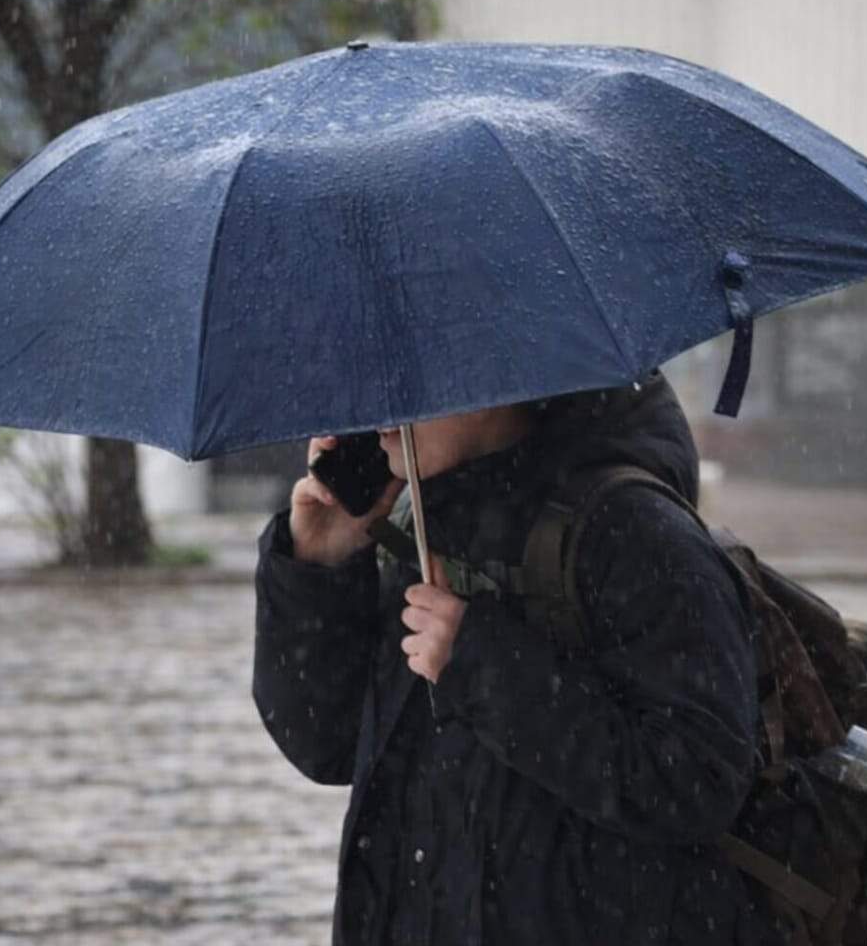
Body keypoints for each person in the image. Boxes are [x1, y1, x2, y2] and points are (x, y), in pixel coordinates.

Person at [252, 375, 770, 945]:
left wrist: (478, 662)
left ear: (501, 377)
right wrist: (318, 569)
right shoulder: (419, 521)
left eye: (412, 374)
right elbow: (328, 744)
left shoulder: (635, 533)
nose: (380, 404)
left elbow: (695, 781)